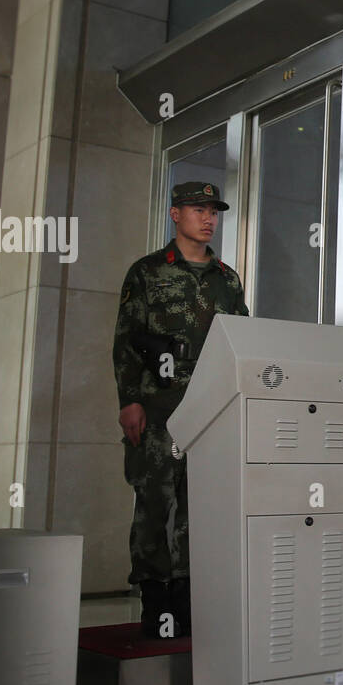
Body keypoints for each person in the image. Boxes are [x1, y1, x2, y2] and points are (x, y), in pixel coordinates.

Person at [112, 182, 249, 638]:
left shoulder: (227, 280)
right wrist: (129, 400)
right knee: (155, 503)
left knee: (203, 506)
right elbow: (127, 341)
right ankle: (156, 604)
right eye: (197, 209)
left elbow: (240, 342)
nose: (208, 218)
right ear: (175, 214)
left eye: (213, 210)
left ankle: (191, 604)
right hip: (159, 408)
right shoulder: (147, 272)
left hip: (211, 408)